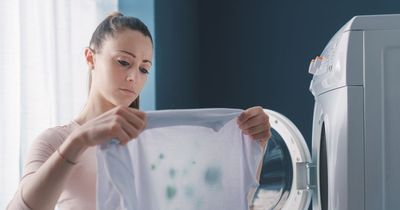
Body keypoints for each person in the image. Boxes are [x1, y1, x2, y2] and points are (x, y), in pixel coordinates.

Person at [7, 12, 271, 210]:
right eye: (123, 62)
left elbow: (217, 197)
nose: (134, 77)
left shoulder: (157, 145)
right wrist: (79, 140)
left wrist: (252, 144)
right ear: (90, 58)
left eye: (144, 68)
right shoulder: (56, 141)